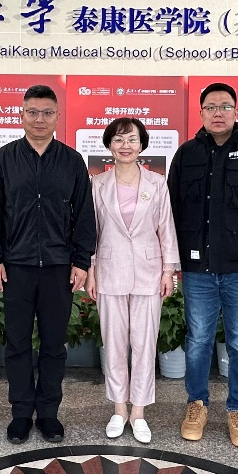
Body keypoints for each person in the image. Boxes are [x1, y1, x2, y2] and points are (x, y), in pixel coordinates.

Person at [167, 82, 238, 449]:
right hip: (197, 269)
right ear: (201, 112)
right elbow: (170, 210)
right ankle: (196, 404)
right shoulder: (186, 154)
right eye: (211, 107)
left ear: (236, 111)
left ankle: (237, 409)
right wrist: (172, 259)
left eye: (225, 106)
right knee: (198, 340)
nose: (218, 113)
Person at [0, 84, 96, 445]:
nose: (39, 119)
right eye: (32, 112)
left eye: (47, 113)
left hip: (59, 268)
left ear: (57, 117)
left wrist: (81, 261)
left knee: (53, 344)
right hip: (15, 266)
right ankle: (20, 413)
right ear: (21, 115)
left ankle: (48, 413)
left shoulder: (72, 161)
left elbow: (84, 215)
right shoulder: (3, 159)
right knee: (16, 343)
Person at [87, 118, 179, 444]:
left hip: (149, 272)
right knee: (113, 344)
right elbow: (92, 231)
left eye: (132, 140)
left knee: (144, 344)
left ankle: (138, 411)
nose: (125, 146)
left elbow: (166, 228)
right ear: (109, 145)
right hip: (109, 270)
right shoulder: (97, 184)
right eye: (119, 139)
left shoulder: (157, 183)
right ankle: (118, 409)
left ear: (142, 145)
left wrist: (169, 270)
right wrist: (90, 270)